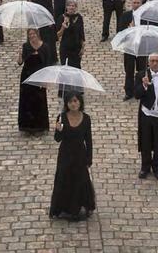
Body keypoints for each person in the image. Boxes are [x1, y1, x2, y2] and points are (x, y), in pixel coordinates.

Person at [49, 92, 96, 221]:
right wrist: (58, 130)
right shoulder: (62, 117)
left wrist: (89, 158)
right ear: (67, 104)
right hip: (65, 154)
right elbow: (57, 139)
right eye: (70, 102)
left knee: (80, 180)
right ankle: (63, 207)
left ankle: (79, 206)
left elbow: (89, 140)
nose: (73, 104)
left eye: (75, 101)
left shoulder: (86, 118)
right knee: (64, 179)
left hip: (80, 154)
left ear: (80, 102)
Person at [18, 28, 53, 133]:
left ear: (37, 34)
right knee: (27, 101)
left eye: (33, 34)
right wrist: (20, 54)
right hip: (27, 76)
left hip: (40, 77)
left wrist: (46, 80)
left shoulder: (45, 47)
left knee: (39, 101)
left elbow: (47, 64)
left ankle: (40, 126)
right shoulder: (26, 46)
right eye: (30, 35)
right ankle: (27, 127)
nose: (32, 36)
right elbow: (20, 63)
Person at [55, 0, 86, 68]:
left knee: (76, 69)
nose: (71, 7)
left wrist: (83, 47)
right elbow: (57, 36)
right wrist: (63, 27)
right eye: (69, 5)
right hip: (65, 47)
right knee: (65, 69)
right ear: (66, 7)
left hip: (76, 48)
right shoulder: (61, 18)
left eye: (73, 6)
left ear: (76, 7)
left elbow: (81, 33)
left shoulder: (79, 17)